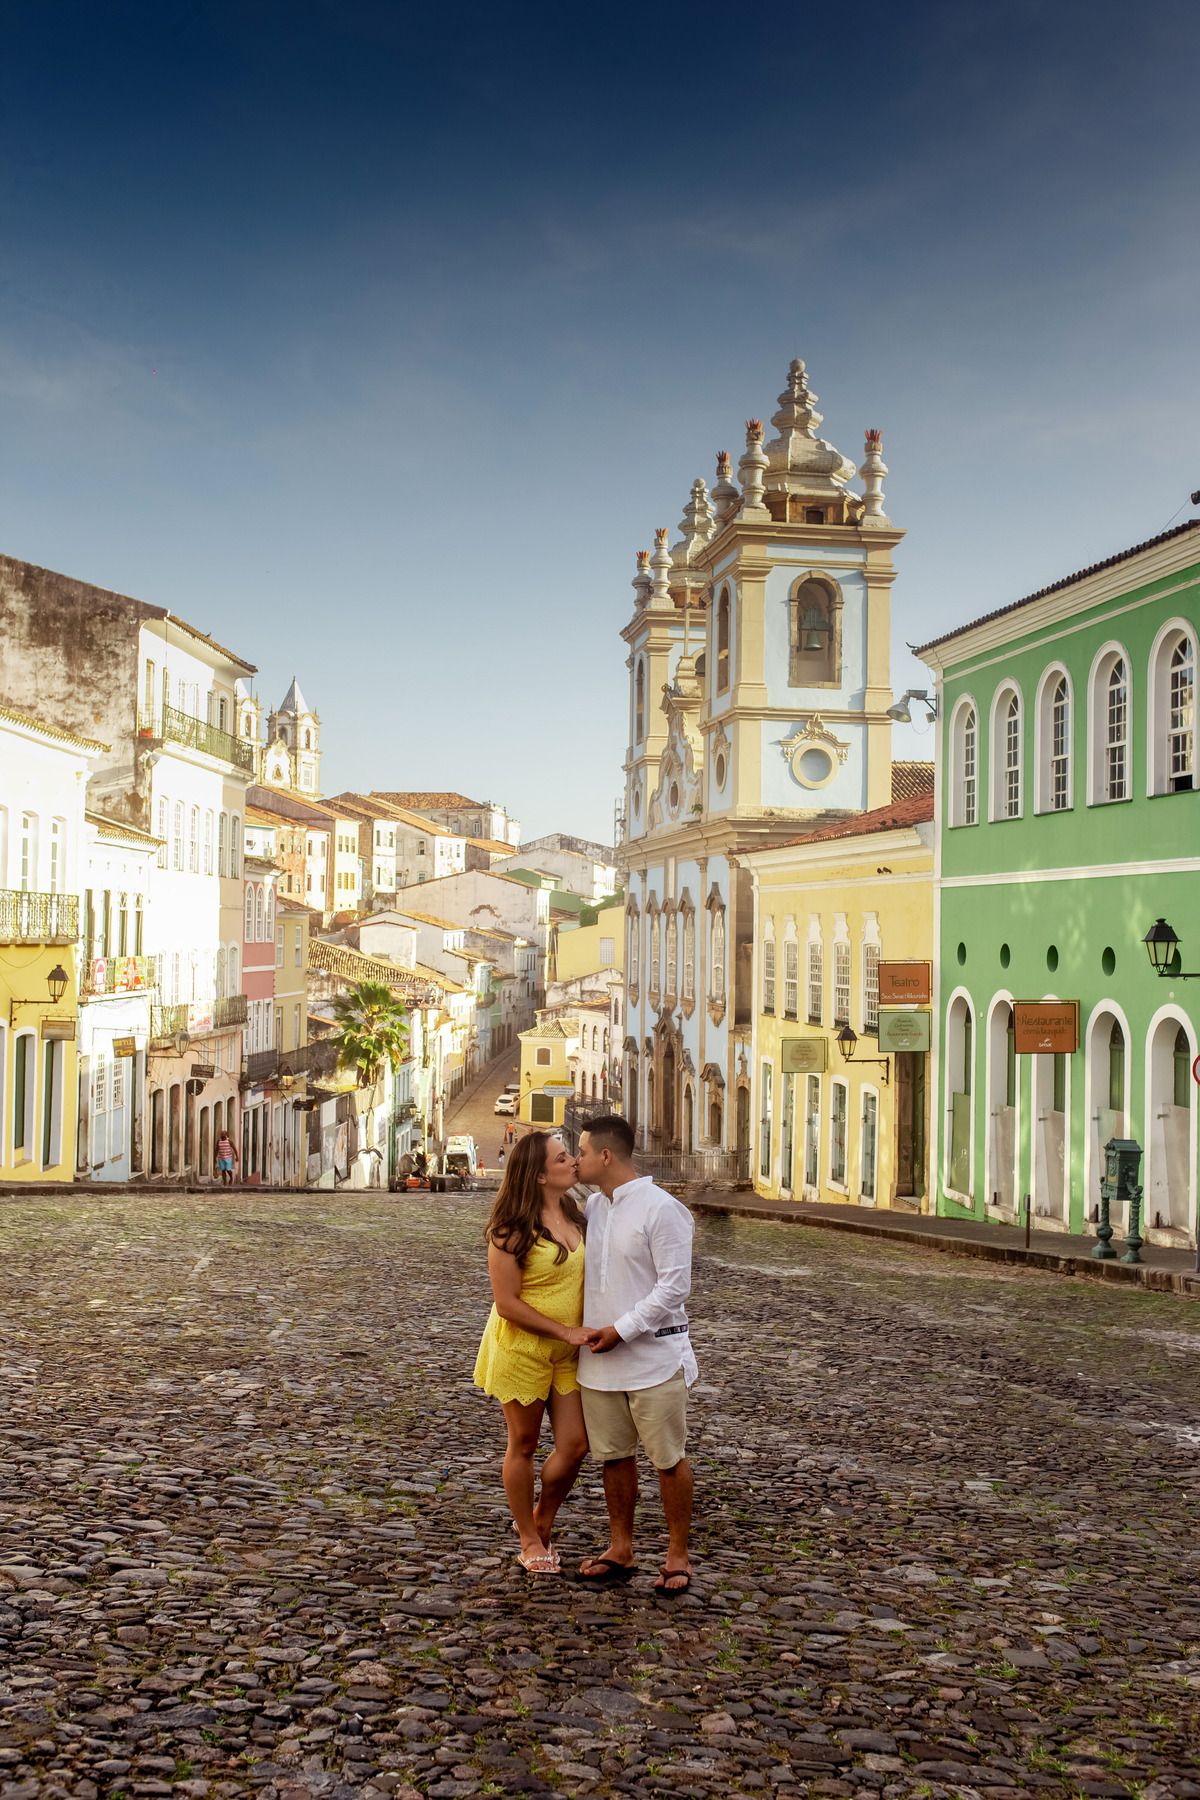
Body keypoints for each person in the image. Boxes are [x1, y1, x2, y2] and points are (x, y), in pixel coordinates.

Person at [574, 1114, 697, 1594]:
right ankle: (620, 1546)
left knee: (668, 1458)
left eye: (581, 1152)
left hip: (653, 1358)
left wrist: (622, 1330)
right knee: (614, 1457)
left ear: (605, 1156)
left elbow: (674, 1287)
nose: (577, 1159)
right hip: (600, 1362)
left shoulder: (661, 1209)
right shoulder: (596, 1208)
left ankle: (677, 1553)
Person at [473, 1131, 596, 1575]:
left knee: (576, 1445)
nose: (573, 1163)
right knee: (523, 1444)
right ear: (540, 1174)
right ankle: (528, 1538)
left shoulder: (575, 1213)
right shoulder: (509, 1232)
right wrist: (566, 1331)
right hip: (522, 1347)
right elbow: (507, 1304)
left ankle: (542, 1518)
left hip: (566, 1351)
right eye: (563, 1158)